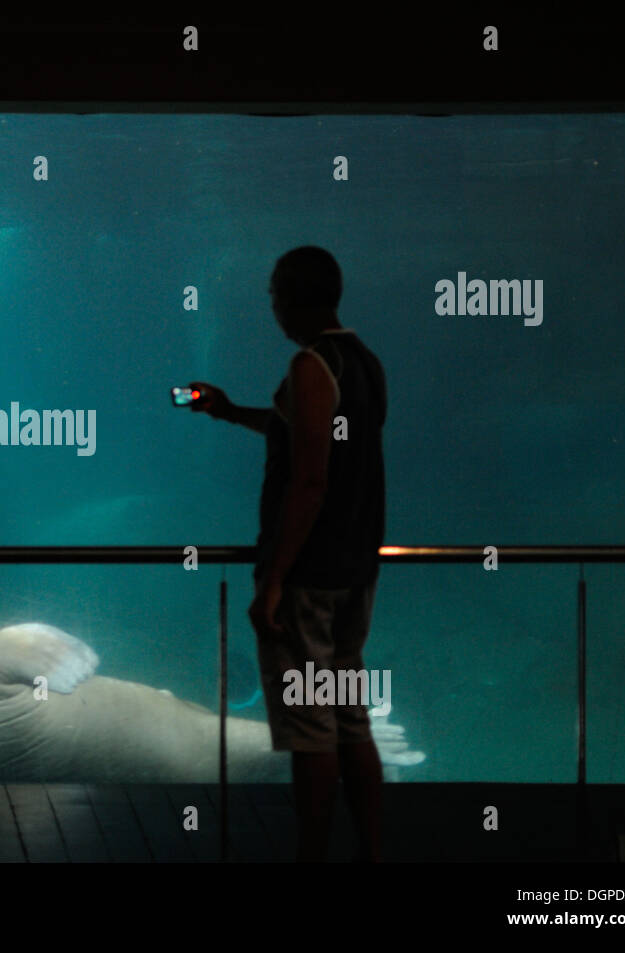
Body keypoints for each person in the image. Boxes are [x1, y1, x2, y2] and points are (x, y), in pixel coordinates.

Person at [191, 246, 387, 862]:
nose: (271, 305)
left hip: (308, 577)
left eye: (275, 293)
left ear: (294, 298)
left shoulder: (309, 365)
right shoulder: (364, 362)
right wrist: (226, 413)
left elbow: (310, 478)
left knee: (311, 730)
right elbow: (306, 433)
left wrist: (275, 579)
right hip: (356, 569)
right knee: (350, 718)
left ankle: (312, 856)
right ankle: (375, 851)